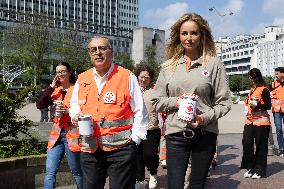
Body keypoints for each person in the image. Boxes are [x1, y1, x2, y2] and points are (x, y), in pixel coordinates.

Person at [151, 13, 231, 189]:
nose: (189, 38)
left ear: (201, 35)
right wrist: (176, 102)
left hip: (204, 134)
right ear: (178, 36)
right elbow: (156, 101)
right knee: (175, 185)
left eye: (194, 33)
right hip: (175, 135)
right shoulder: (168, 66)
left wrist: (203, 119)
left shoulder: (213, 64)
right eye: (184, 33)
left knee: (197, 185)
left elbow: (224, 103)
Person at [69, 35, 149, 189]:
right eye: (93, 49)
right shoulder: (82, 78)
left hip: (121, 148)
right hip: (90, 147)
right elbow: (74, 105)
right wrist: (75, 115)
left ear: (111, 52)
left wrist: (135, 140)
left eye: (102, 48)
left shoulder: (126, 76)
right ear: (89, 54)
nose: (98, 52)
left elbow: (140, 111)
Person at [36, 62, 83, 189]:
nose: (60, 74)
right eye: (57, 72)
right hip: (56, 136)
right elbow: (40, 105)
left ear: (69, 72)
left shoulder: (77, 89)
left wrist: (68, 111)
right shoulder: (55, 90)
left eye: (63, 71)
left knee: (77, 172)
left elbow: (84, 110)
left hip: (72, 134)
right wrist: (51, 86)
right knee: (50, 172)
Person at [240, 68, 271, 179]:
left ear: (258, 77)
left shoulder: (264, 89)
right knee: (246, 143)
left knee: (261, 146)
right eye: (251, 77)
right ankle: (250, 167)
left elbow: (268, 106)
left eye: (254, 77)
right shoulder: (251, 90)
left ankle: (260, 169)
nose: (252, 79)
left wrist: (256, 105)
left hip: (261, 122)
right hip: (249, 121)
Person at [134, 64, 161, 189]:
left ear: (150, 79)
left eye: (147, 77)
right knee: (137, 156)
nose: (144, 79)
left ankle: (153, 173)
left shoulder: (155, 92)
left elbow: (162, 109)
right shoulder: (133, 91)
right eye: (141, 77)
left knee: (149, 155)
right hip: (136, 129)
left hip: (152, 129)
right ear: (137, 77)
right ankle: (140, 180)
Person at [269, 67, 284, 156]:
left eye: (277, 73)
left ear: (283, 74)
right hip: (277, 111)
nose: (275, 75)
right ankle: (281, 149)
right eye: (275, 73)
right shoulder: (272, 85)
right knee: (278, 129)